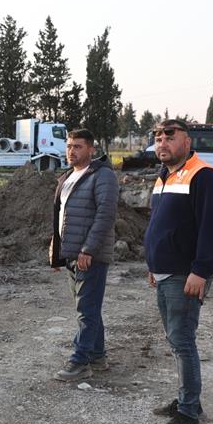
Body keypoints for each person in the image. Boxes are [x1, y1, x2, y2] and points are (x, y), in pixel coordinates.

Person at [144, 119, 213, 424]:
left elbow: (212, 228)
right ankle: (186, 399)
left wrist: (201, 270)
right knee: (175, 340)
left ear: (187, 142)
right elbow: (159, 224)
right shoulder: (164, 175)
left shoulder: (203, 175)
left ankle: (190, 412)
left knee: (182, 341)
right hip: (165, 272)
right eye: (157, 138)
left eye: (169, 136)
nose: (162, 142)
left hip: (185, 274)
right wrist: (153, 265)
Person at [48, 129, 118, 381]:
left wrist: (88, 249)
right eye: (69, 146)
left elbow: (105, 215)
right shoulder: (67, 176)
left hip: (89, 255)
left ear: (91, 149)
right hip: (71, 253)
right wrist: (56, 247)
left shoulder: (102, 176)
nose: (71, 151)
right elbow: (62, 215)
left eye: (77, 146)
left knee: (86, 310)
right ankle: (97, 356)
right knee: (88, 308)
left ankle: (80, 361)